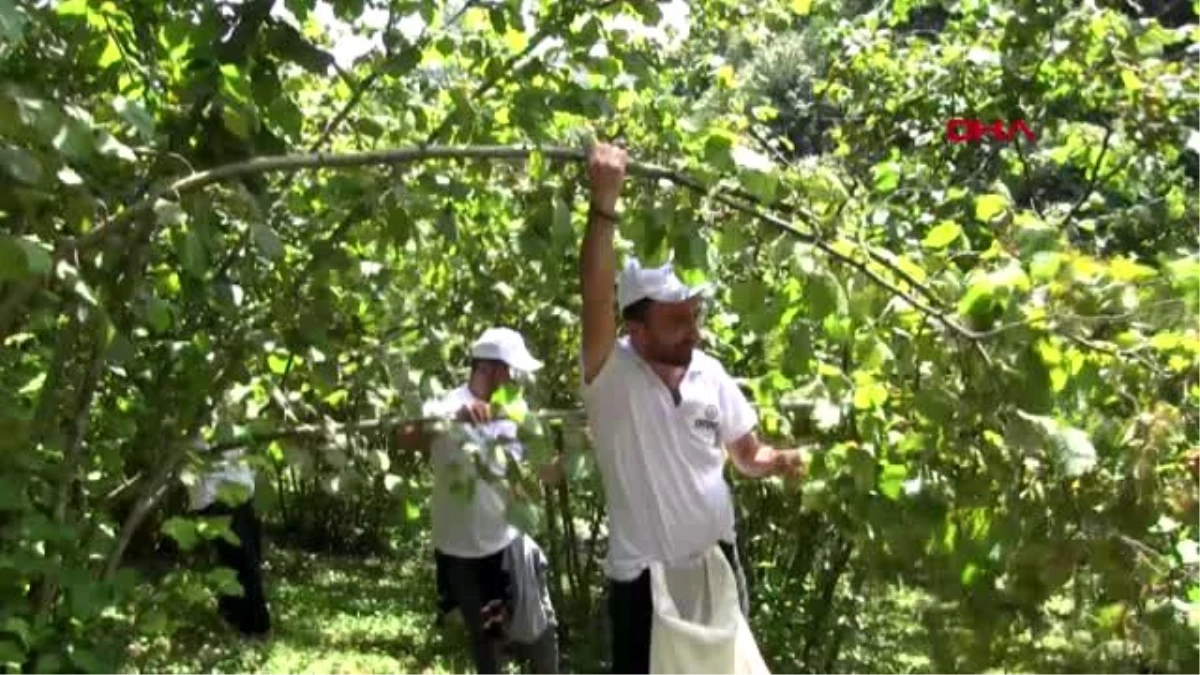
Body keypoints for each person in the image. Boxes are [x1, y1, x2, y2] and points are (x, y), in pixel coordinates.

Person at [577, 142, 810, 675]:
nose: (694, 329)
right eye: (678, 320)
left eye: (695, 313)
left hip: (716, 568)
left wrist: (780, 461)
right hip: (644, 583)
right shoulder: (610, 377)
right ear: (635, 328)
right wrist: (604, 203)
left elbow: (746, 455)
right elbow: (594, 297)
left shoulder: (711, 373)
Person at [404, 327, 562, 675]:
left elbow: (548, 474)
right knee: (487, 641)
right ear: (489, 369)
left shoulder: (514, 413)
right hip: (462, 550)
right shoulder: (443, 404)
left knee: (541, 630)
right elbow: (409, 438)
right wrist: (451, 420)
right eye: (511, 371)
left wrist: (578, 449)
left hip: (507, 543)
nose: (517, 379)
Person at [185, 447, 271, 638]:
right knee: (243, 561)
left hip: (239, 495)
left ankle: (231, 614)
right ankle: (254, 627)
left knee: (246, 558)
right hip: (216, 497)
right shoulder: (199, 426)